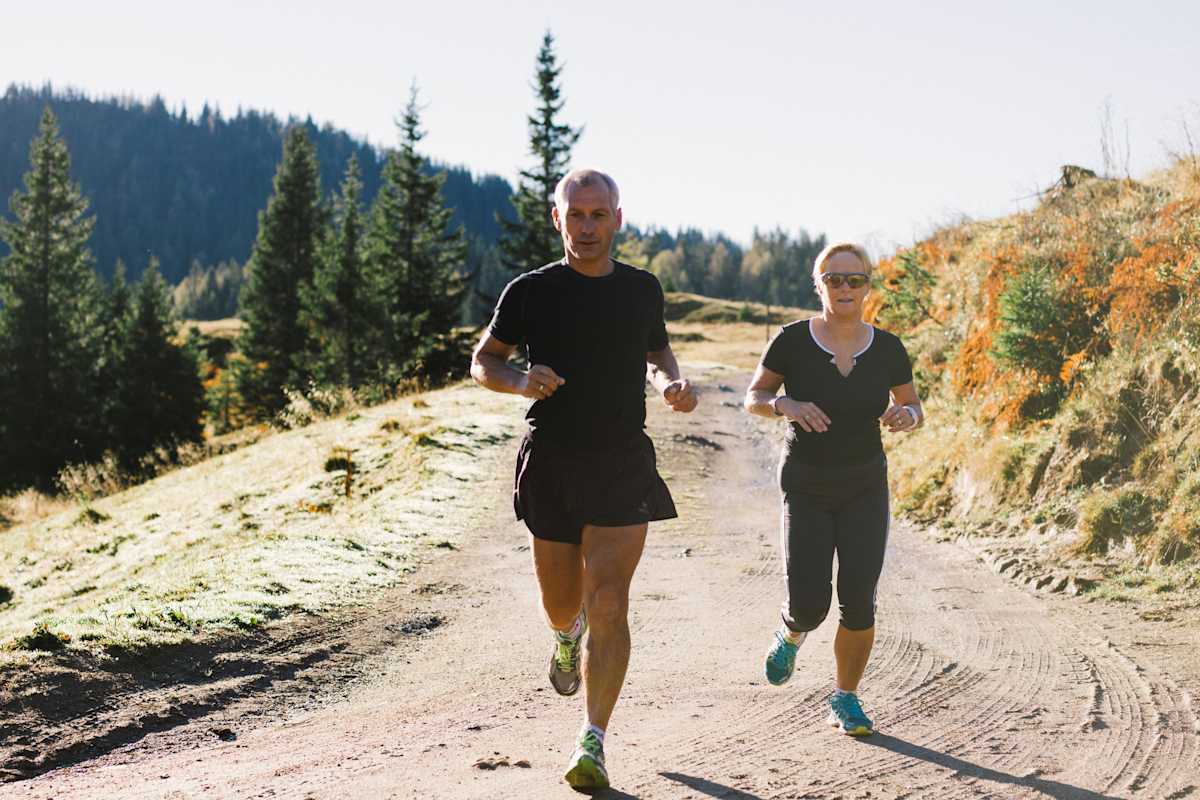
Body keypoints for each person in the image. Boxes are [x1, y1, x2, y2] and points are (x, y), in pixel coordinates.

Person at [470, 168, 698, 790]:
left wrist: (669, 383)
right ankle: (565, 636)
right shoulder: (531, 291)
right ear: (558, 219)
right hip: (553, 461)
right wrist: (520, 381)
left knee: (611, 601)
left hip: (622, 460)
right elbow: (484, 361)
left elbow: (656, 351)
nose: (588, 226)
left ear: (618, 219)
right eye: (576, 214)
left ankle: (592, 739)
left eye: (599, 215)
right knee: (563, 602)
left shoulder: (642, 288)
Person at [742, 241, 923, 736]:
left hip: (865, 483)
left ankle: (845, 698)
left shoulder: (888, 348)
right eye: (834, 279)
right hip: (806, 484)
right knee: (809, 603)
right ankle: (792, 631)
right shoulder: (792, 341)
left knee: (859, 600)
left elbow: (913, 405)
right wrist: (785, 405)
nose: (845, 288)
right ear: (818, 285)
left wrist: (906, 416)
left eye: (854, 279)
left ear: (867, 286)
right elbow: (754, 397)